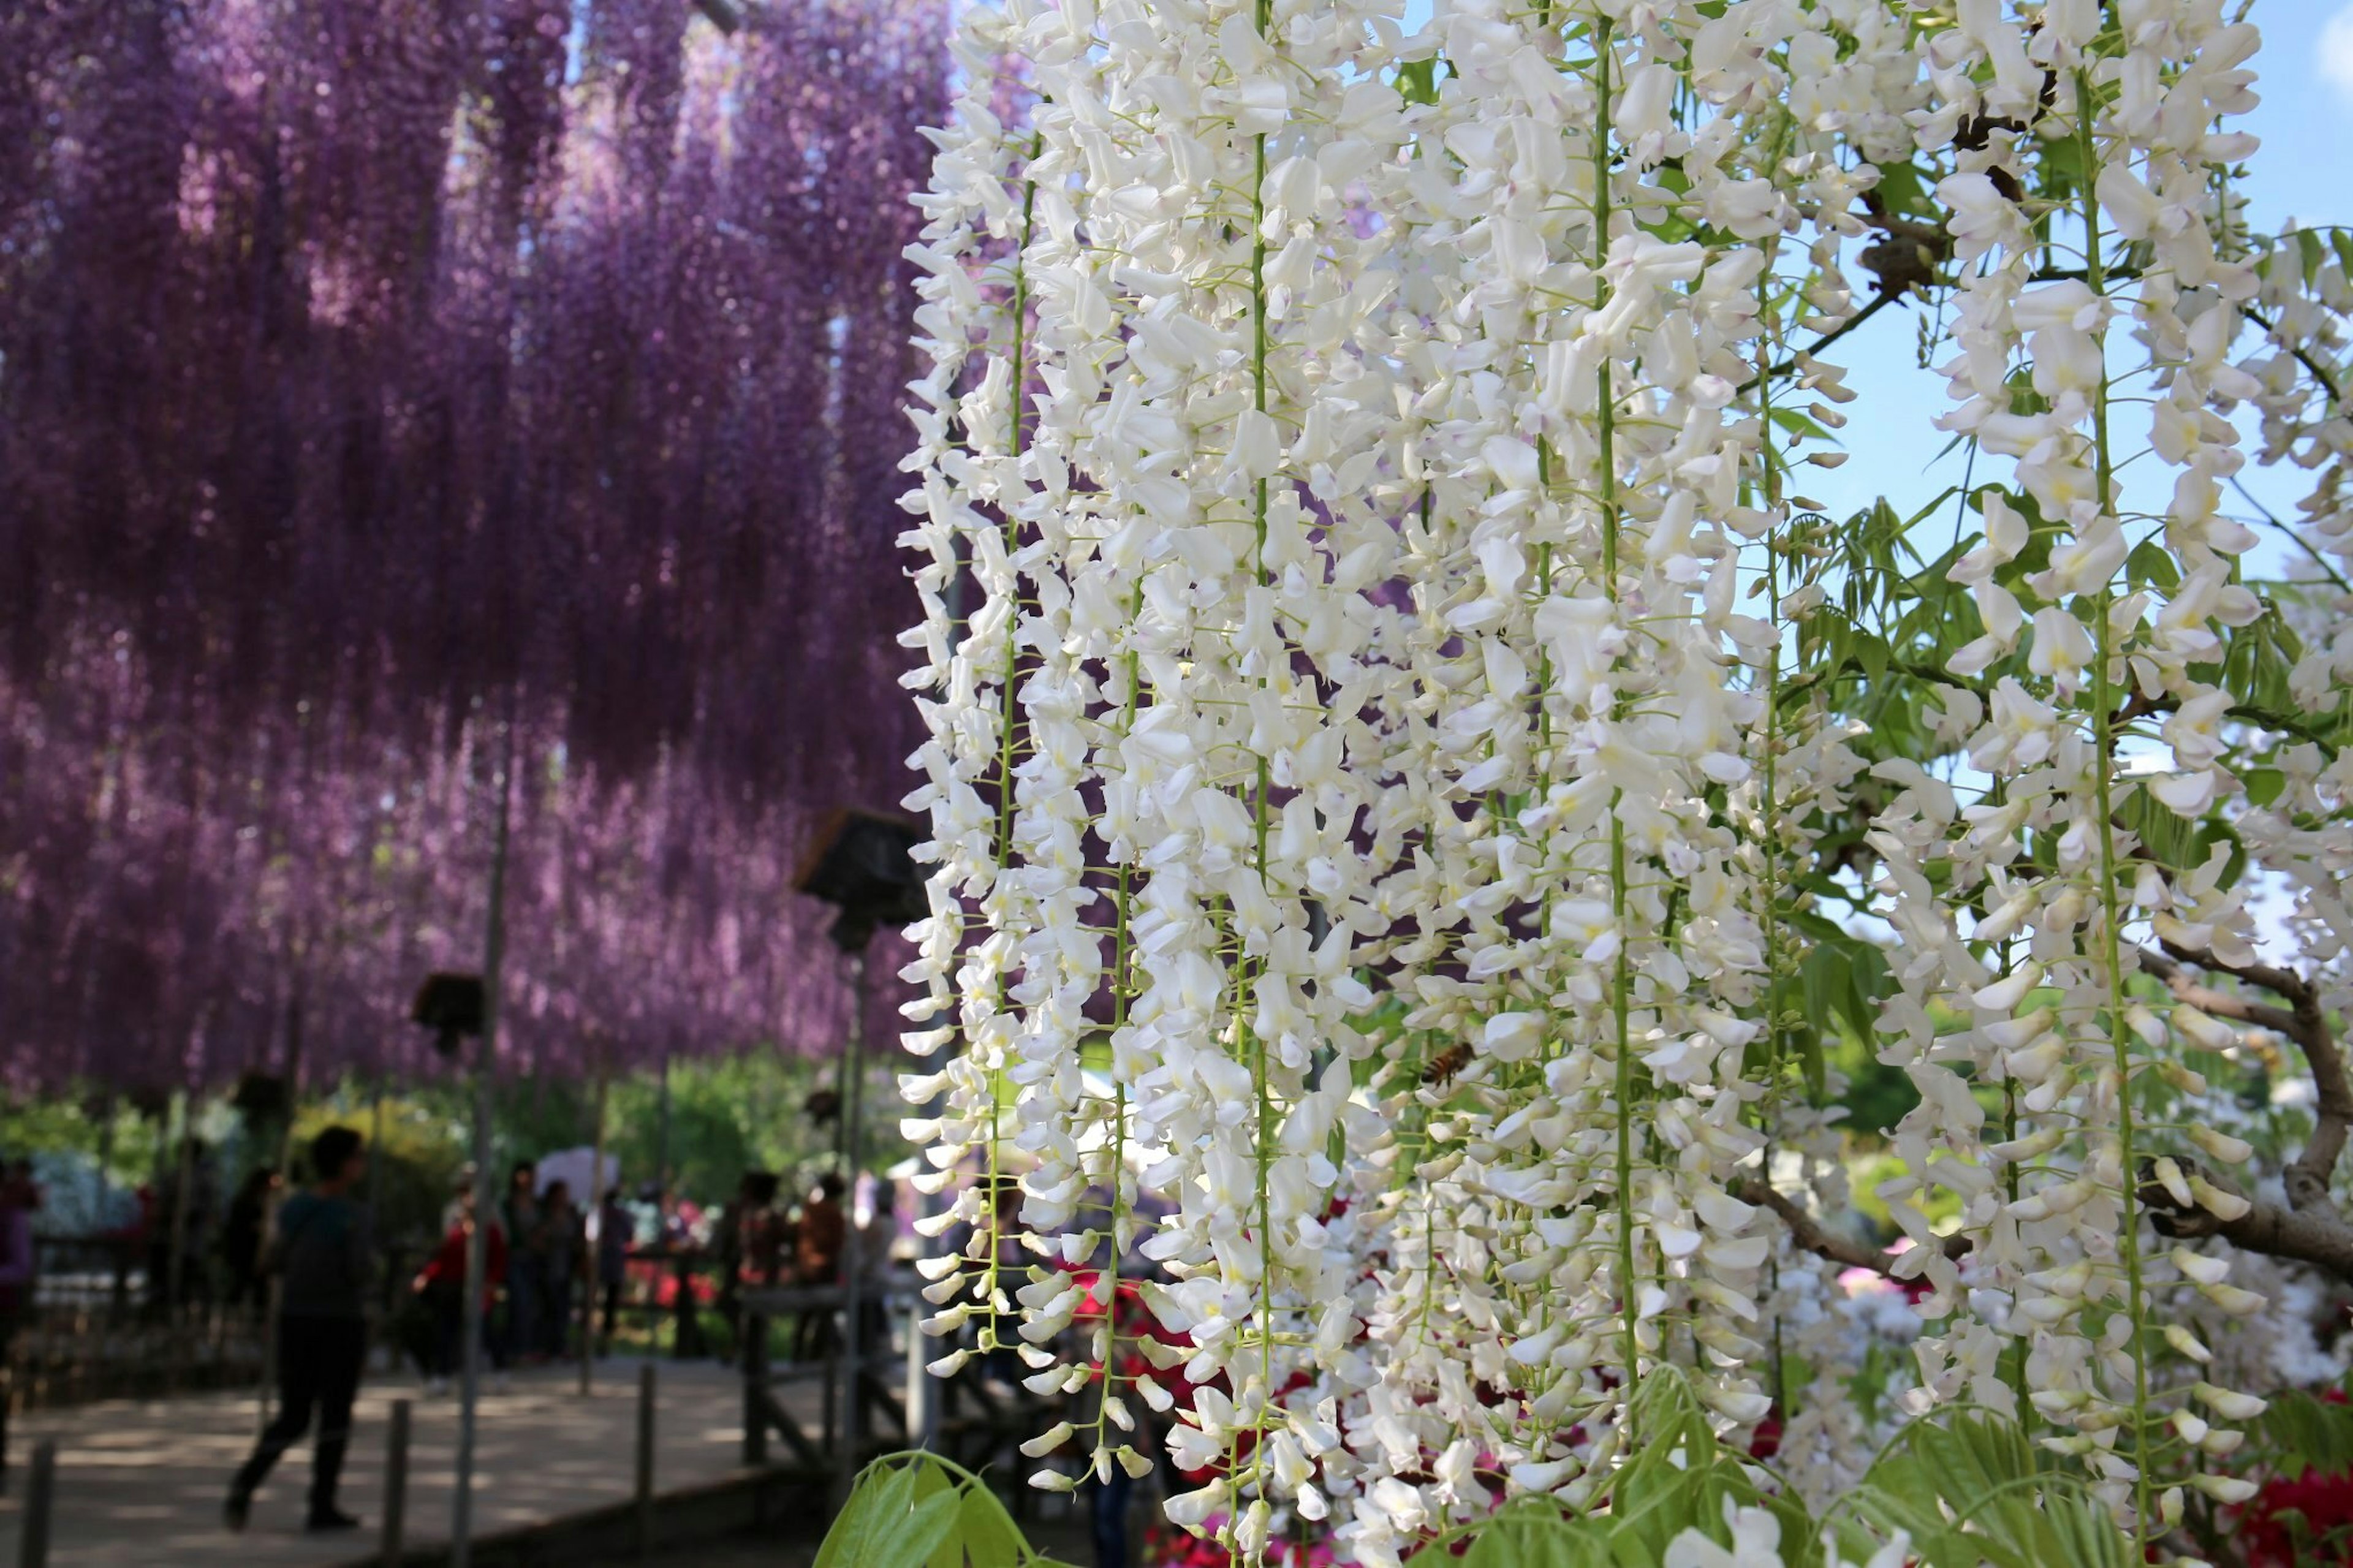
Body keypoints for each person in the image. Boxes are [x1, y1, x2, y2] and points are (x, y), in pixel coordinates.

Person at [225, 1125, 372, 1534]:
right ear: (344, 1162)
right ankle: (321, 1503)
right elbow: (358, 1271)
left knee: (294, 1413)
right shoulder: (352, 1215)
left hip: (295, 1318)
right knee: (336, 1415)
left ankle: (246, 1481)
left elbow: (270, 1260)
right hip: (340, 1321)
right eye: (359, 1155)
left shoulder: (293, 1207)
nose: (363, 1162)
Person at [414, 1181, 509, 1394]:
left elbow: (498, 1262)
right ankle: (442, 1375)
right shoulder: (456, 1233)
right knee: (445, 1331)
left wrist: (491, 1283)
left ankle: (501, 1370)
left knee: (485, 1331)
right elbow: (442, 1261)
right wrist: (425, 1276)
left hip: (480, 1289)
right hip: (453, 1289)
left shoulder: (491, 1232)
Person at [501, 1161, 544, 1361]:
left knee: (532, 1303)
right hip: (514, 1259)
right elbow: (506, 1233)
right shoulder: (508, 1204)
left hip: (533, 1260)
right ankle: (514, 1348)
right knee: (519, 1301)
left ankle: (526, 1347)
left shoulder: (538, 1204)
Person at [220, 1166, 278, 1316]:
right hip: (245, 1253)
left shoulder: (262, 1201)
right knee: (241, 1288)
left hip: (254, 1254)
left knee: (254, 1291)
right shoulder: (247, 1202)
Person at [538, 1179, 583, 1359]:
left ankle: (561, 1344)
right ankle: (546, 1346)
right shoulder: (545, 1215)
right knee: (548, 1308)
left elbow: (578, 1239)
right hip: (548, 1266)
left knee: (563, 1308)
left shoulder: (573, 1214)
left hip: (566, 1267)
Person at [596, 1187, 632, 1347]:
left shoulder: (601, 1214)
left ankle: (602, 1338)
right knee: (609, 1302)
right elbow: (629, 1234)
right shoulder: (620, 1214)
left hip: (603, 1260)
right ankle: (604, 1337)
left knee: (596, 1298)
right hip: (610, 1261)